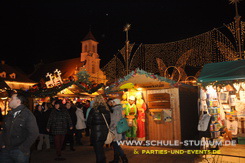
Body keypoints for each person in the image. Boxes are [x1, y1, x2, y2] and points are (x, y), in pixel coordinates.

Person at [0, 92, 39, 163]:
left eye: (11, 98)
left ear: (18, 101)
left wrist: (23, 148)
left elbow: (34, 133)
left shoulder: (27, 115)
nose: (9, 100)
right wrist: (2, 143)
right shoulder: (9, 114)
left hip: (19, 152)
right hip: (5, 150)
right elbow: (4, 131)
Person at [87, 95, 111, 163]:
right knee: (101, 149)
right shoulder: (107, 110)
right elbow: (109, 122)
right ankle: (103, 160)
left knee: (98, 150)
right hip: (104, 132)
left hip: (96, 133)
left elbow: (89, 122)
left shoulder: (93, 110)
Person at [109, 99, 128, 163]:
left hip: (116, 130)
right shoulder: (118, 109)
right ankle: (116, 159)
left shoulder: (116, 110)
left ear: (116, 102)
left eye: (113, 102)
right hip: (117, 130)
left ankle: (124, 158)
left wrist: (111, 128)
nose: (112, 103)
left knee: (116, 145)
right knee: (115, 145)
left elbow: (115, 122)